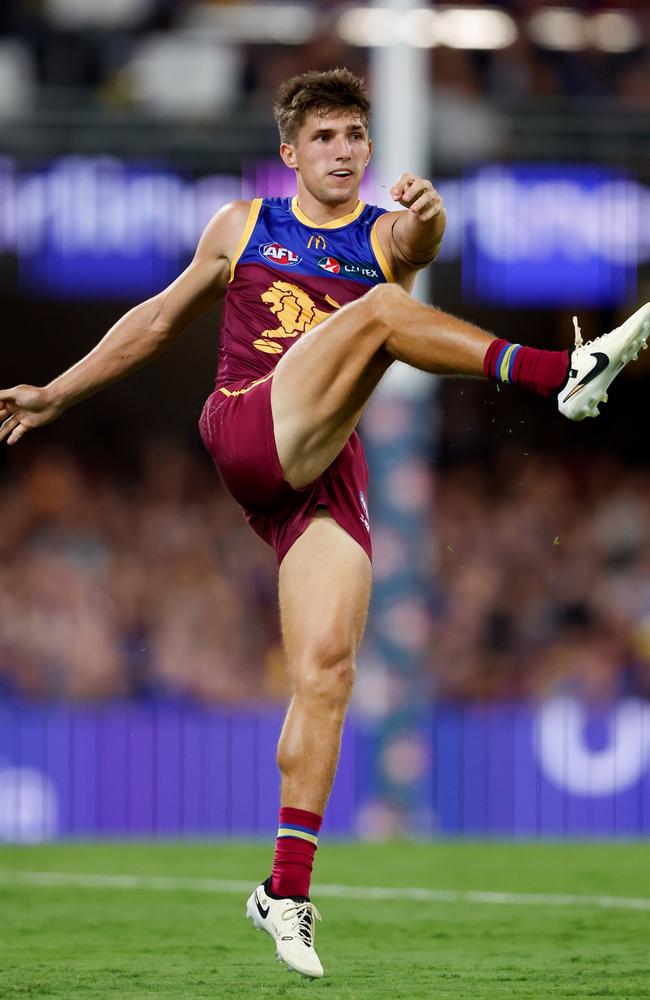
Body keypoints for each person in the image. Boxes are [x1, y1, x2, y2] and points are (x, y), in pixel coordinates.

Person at [0, 68, 648, 979]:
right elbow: (155, 323)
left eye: (355, 137)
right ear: (290, 155)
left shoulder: (386, 237)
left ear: (370, 148)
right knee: (383, 310)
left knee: (328, 673)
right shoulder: (243, 227)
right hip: (246, 426)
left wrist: (428, 215)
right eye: (325, 139)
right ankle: (560, 374)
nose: (343, 151)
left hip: (323, 475)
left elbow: (420, 235)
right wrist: (58, 395)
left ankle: (286, 894)